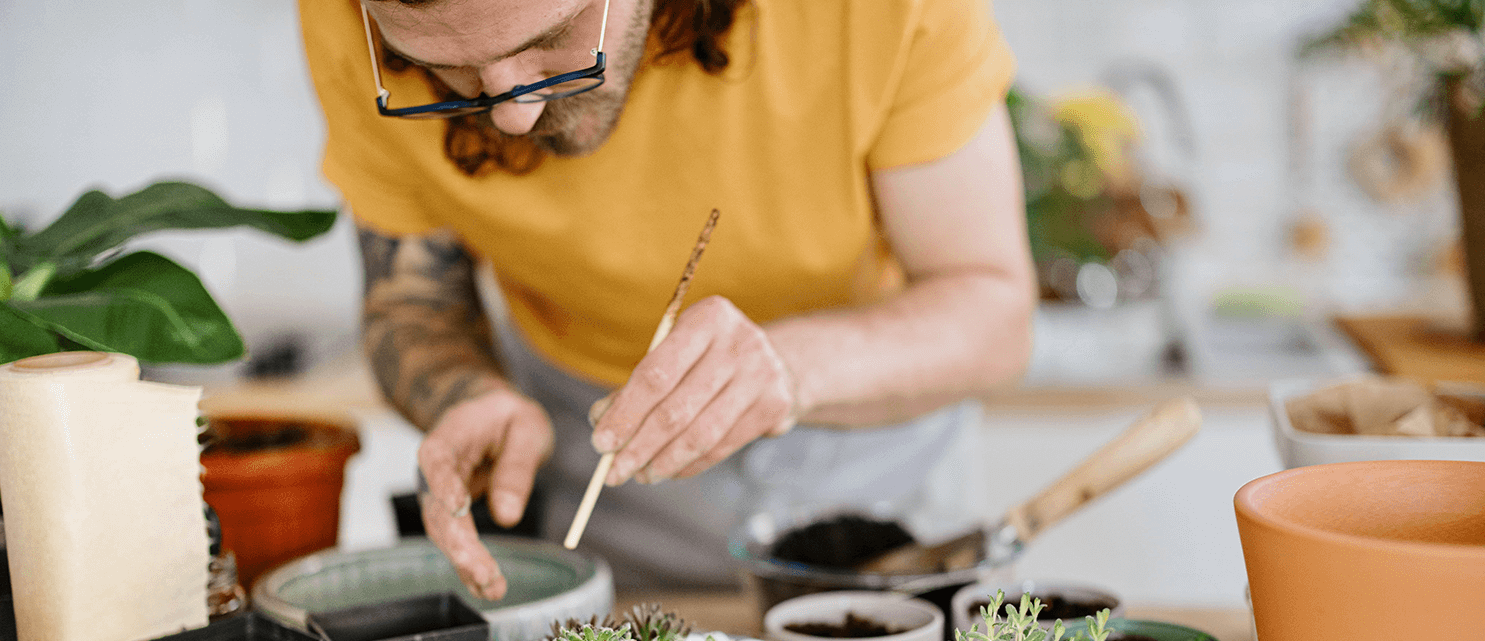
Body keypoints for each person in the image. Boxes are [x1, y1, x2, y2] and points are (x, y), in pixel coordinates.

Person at [298, 0, 1035, 597]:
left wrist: (792, 368)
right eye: (444, 71)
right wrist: (465, 394)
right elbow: (412, 302)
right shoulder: (351, 18)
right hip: (593, 466)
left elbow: (993, 312)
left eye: (555, 38)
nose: (510, 111)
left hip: (874, 457)